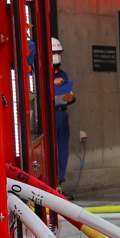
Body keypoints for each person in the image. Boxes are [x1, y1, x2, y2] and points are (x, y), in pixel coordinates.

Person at [51, 37, 75, 192]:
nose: (57, 56)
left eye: (59, 53)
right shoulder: (37, 74)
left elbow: (68, 95)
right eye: (54, 53)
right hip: (47, 115)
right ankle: (49, 185)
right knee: (50, 151)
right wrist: (50, 83)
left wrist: (71, 98)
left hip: (61, 114)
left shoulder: (63, 74)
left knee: (62, 150)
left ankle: (59, 184)